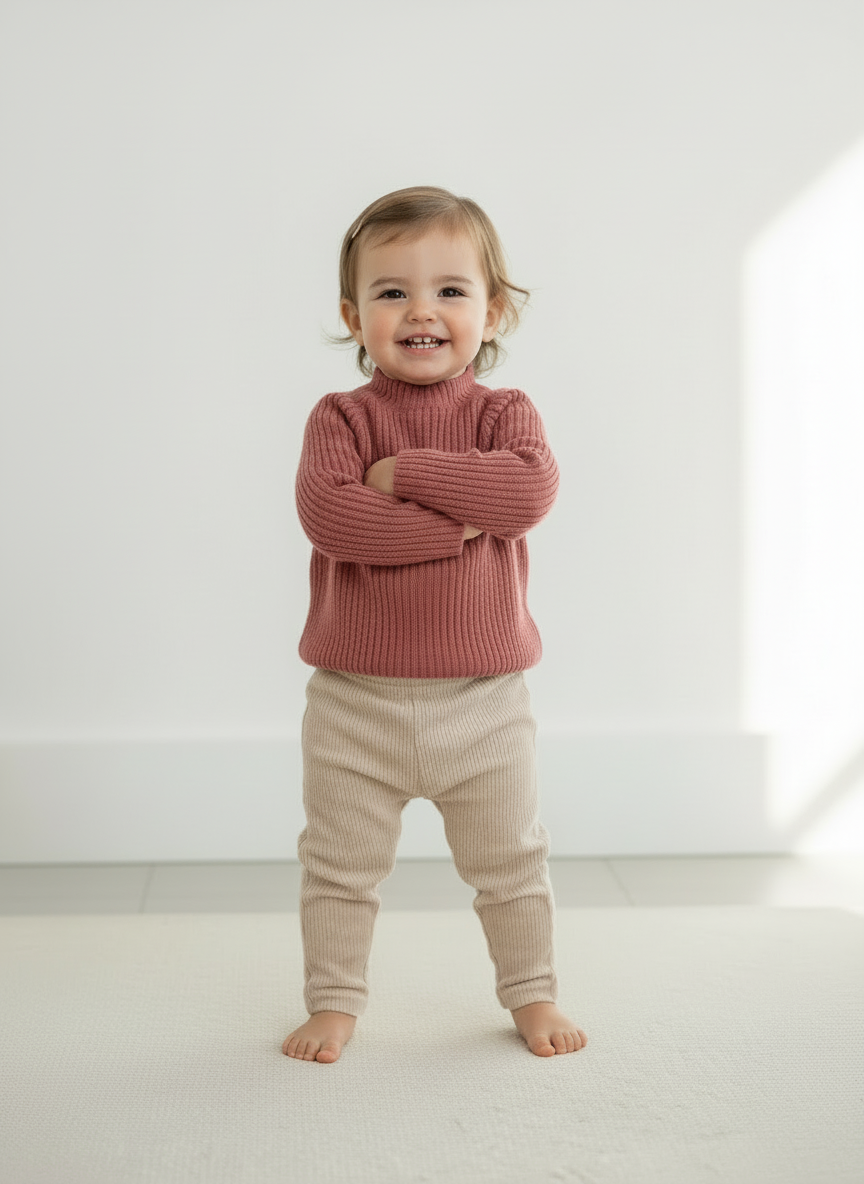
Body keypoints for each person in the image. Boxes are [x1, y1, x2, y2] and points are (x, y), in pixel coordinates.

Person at [282, 186, 587, 1064]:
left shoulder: (504, 414)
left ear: (493, 312)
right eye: (392, 292)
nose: (422, 311)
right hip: (355, 703)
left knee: (511, 864)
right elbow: (335, 519)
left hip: (484, 703)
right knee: (338, 867)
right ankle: (334, 1002)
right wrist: (456, 523)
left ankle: (532, 993)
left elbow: (523, 495)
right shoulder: (341, 418)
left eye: (451, 290)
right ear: (355, 316)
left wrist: (401, 475)